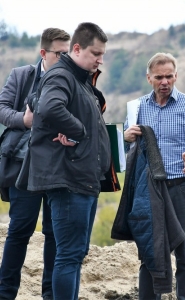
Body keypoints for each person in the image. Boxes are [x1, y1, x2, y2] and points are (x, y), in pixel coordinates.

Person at [26, 22, 113, 300]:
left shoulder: (81, 80)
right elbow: (50, 106)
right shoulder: (61, 75)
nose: (100, 60)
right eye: (95, 53)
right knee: (68, 255)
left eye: (102, 54)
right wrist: (78, 131)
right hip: (68, 181)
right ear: (77, 48)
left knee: (75, 254)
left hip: (83, 180)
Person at [124, 52, 185, 299]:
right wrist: (125, 137)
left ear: (176, 76)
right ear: (149, 77)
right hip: (148, 191)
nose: (165, 82)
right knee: (149, 254)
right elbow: (125, 146)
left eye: (169, 76)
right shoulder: (136, 107)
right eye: (159, 77)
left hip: (181, 187)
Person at [0, 28, 70, 300]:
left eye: (68, 53)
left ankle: (50, 295)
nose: (65, 59)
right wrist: (24, 120)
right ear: (44, 53)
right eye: (59, 54)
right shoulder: (21, 75)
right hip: (23, 168)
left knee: (54, 234)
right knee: (19, 231)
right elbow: (2, 108)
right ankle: (5, 294)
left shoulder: (74, 79)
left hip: (59, 169)